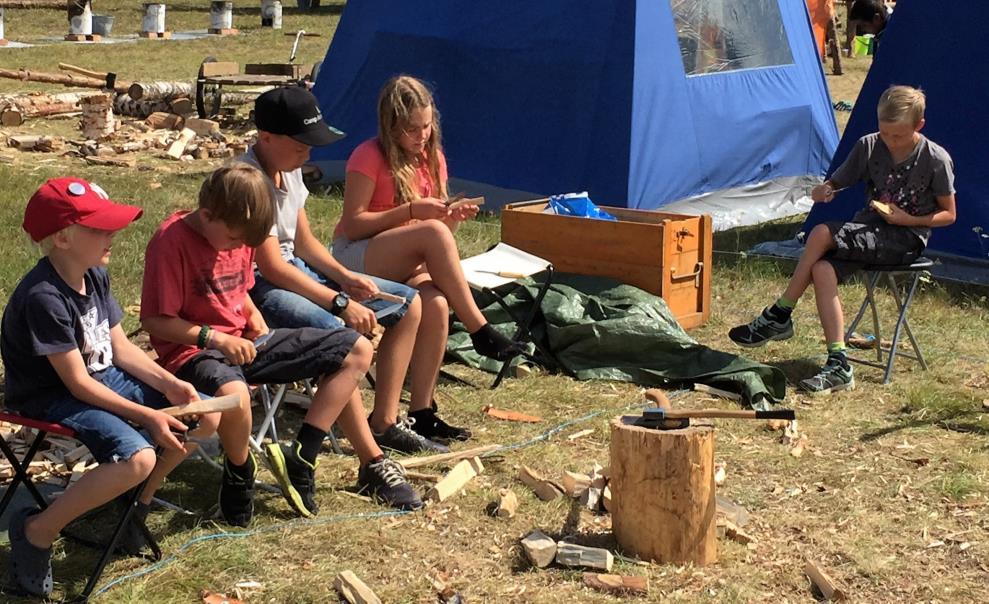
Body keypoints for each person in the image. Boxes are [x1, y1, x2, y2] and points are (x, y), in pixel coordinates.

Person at [140, 163, 423, 519]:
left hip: (243, 342)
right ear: (208, 215)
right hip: (194, 350)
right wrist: (215, 338)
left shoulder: (237, 232)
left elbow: (237, 287)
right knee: (235, 395)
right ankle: (239, 471)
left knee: (356, 348)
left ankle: (302, 453)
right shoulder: (172, 241)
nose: (237, 247)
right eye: (232, 240)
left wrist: (251, 314)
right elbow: (154, 320)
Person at [0, 178, 219, 597]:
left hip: (100, 379)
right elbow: (77, 383)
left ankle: (133, 503)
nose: (113, 235)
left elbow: (119, 349)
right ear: (63, 237)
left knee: (204, 415)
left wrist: (171, 385)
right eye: (100, 228)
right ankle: (37, 530)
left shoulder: (94, 274)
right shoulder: (44, 296)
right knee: (135, 458)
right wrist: (148, 416)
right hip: (52, 396)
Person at [243, 86, 456, 454]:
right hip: (261, 286)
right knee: (337, 333)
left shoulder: (288, 168)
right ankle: (359, 449)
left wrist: (345, 276)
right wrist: (339, 301)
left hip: (295, 271)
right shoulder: (247, 180)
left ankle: (385, 421)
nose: (308, 154)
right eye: (300, 146)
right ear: (266, 137)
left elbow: (305, 244)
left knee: (409, 305)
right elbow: (273, 267)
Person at [728, 85, 955, 395]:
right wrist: (826, 190)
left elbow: (949, 215)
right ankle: (838, 363)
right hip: (868, 230)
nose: (889, 141)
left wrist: (908, 220)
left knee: (821, 232)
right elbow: (836, 182)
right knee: (822, 270)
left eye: (898, 136)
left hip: (906, 238)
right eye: (884, 133)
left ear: (919, 126)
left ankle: (781, 312)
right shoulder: (869, 145)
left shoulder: (935, 158)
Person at [333, 75, 523, 434]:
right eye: (412, 129)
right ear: (391, 127)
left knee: (435, 304)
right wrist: (411, 212)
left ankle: (420, 411)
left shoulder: (432, 157)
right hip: (356, 256)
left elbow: (436, 239)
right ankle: (480, 329)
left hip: (403, 258)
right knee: (432, 233)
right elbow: (354, 224)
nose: (421, 135)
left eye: (427, 125)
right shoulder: (367, 156)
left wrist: (450, 219)